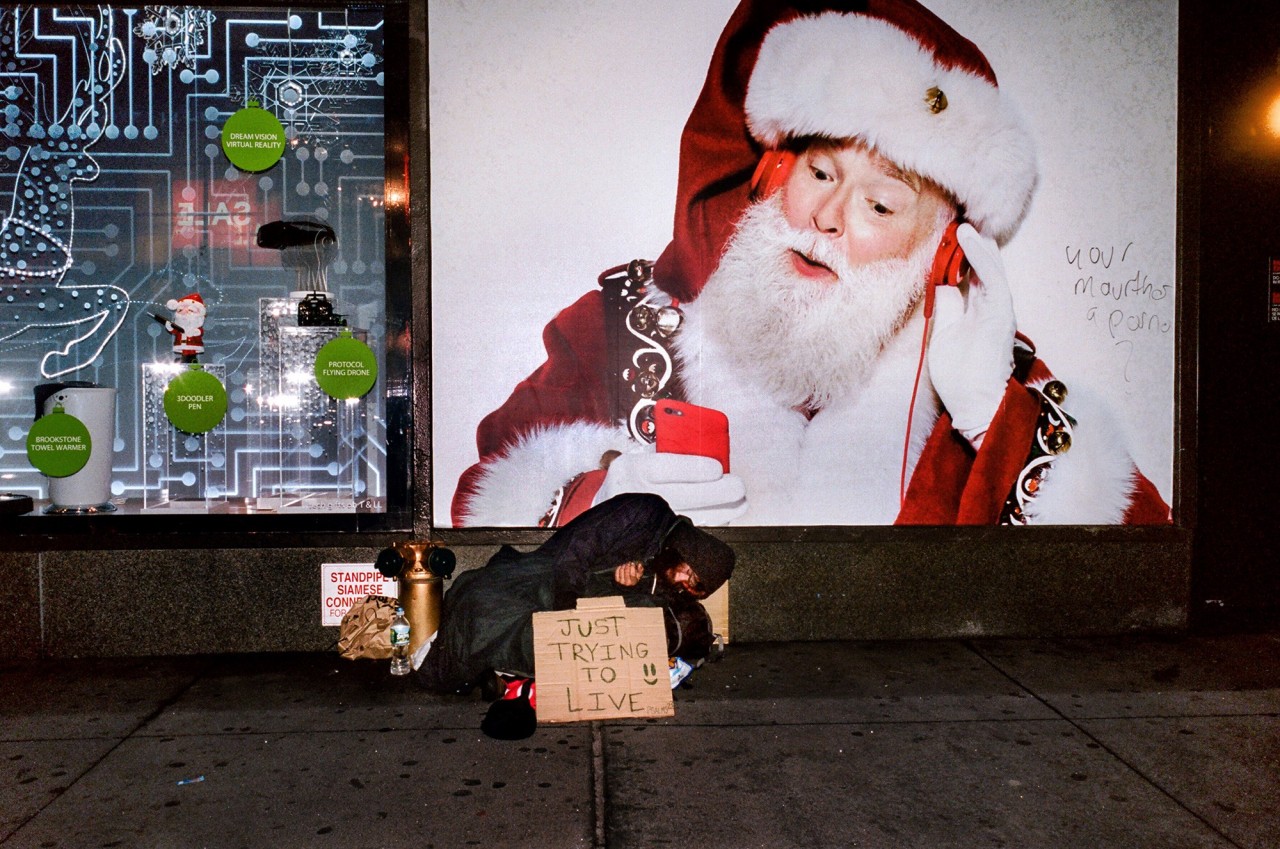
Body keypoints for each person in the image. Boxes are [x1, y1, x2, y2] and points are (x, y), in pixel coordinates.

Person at [452, 0, 1171, 528]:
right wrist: (596, 499)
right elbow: (481, 496)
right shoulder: (625, 320)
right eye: (822, 175)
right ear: (775, 173)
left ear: (936, 246)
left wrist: (994, 417)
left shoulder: (978, 365)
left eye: (881, 206)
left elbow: (1142, 559)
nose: (829, 217)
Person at [413, 492, 734, 696]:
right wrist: (565, 615)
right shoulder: (646, 511)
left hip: (586, 593)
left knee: (564, 641)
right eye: (687, 571)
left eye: (691, 584)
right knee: (485, 608)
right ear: (688, 548)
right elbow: (579, 550)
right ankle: (491, 668)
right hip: (550, 573)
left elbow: (637, 599)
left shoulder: (666, 566)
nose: (681, 579)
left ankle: (506, 673)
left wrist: (628, 584)